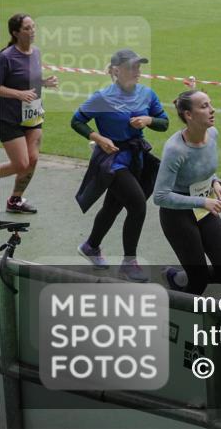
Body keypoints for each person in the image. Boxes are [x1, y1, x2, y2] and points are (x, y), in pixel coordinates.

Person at [72, 49, 168, 282]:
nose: (137, 71)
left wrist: (148, 120)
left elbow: (164, 123)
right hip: (112, 161)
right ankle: (128, 263)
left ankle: (91, 246)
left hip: (136, 159)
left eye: (138, 66)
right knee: (137, 205)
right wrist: (98, 138)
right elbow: (77, 121)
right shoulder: (102, 98)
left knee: (113, 206)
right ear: (116, 70)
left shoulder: (147, 93)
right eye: (131, 67)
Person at [154, 90, 221, 295]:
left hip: (203, 209)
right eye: (204, 106)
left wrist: (215, 182)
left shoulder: (213, 134)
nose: (212, 110)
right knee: (198, 282)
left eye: (210, 104)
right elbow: (160, 196)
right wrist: (202, 202)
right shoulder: (175, 150)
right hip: (177, 216)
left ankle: (177, 277)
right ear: (188, 115)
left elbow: (204, 167)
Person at [0, 14, 59, 214]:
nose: (32, 31)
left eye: (33, 26)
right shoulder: (5, 57)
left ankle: (15, 200)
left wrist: (44, 83)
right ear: (15, 33)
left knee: (32, 160)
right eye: (27, 28)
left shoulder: (36, 53)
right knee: (21, 164)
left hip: (33, 114)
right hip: (9, 118)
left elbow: (28, 80)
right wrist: (19, 94)